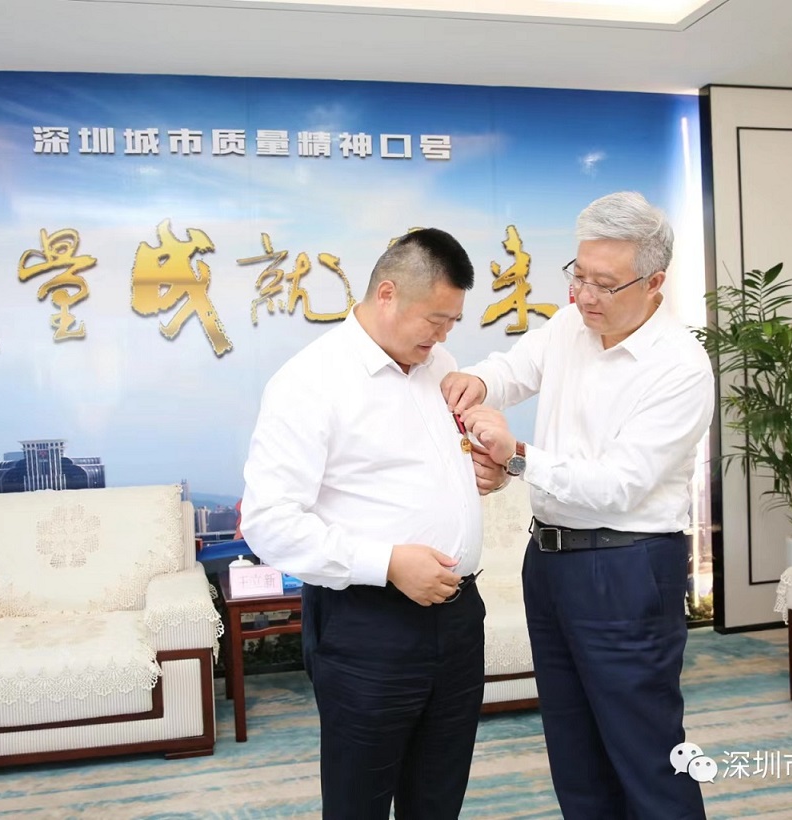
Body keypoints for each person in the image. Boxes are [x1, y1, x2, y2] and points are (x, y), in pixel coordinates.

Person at [442, 191, 714, 819]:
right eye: (579, 275)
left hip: (626, 567)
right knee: (573, 748)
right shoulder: (572, 325)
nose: (585, 295)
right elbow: (516, 368)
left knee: (645, 751)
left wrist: (517, 457)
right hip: (550, 561)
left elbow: (619, 485)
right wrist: (477, 382)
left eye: (605, 284)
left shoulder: (679, 368)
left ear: (655, 283)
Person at [241, 228, 485, 820]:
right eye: (435, 320)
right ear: (387, 294)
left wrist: (486, 476)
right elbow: (268, 521)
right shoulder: (310, 382)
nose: (443, 336)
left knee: (439, 797)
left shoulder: (437, 364)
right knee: (360, 801)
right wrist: (388, 562)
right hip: (369, 625)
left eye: (453, 321)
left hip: (458, 616)